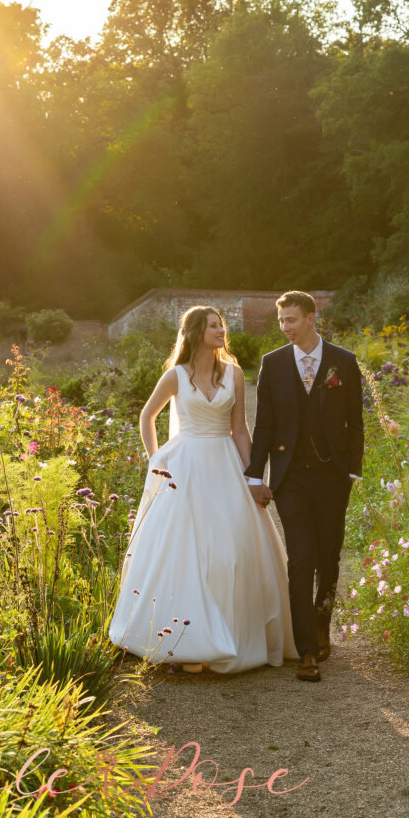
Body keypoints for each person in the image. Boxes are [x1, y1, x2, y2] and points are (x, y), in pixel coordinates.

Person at [109, 306, 297, 673]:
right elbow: (147, 416)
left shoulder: (235, 374)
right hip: (184, 466)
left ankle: (233, 633)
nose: (221, 331)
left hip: (225, 464)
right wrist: (155, 461)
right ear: (196, 332)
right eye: (214, 326)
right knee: (182, 550)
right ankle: (179, 639)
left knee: (232, 547)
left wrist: (253, 477)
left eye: (222, 325)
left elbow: (241, 430)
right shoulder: (176, 375)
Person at [245, 291, 364, 683]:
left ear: (312, 318)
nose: (285, 328)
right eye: (281, 321)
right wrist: (254, 475)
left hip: (332, 477)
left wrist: (352, 472)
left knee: (329, 557)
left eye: (291, 320)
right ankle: (306, 650)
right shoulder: (273, 364)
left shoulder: (343, 362)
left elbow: (354, 422)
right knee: (301, 558)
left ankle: (322, 623)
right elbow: (263, 425)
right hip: (291, 477)